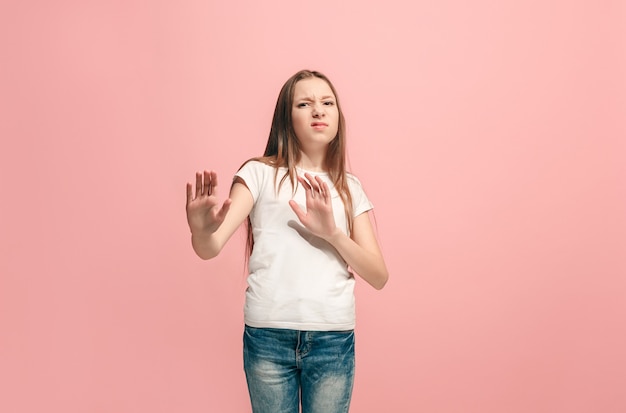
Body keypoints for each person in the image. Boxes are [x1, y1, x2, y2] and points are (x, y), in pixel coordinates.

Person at [185, 69, 389, 413]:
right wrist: (201, 230)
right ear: (286, 117)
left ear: (338, 115)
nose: (319, 111)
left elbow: (378, 276)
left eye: (327, 102)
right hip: (268, 335)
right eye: (304, 103)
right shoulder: (258, 174)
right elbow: (210, 248)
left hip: (333, 338)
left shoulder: (349, 188)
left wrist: (332, 234)